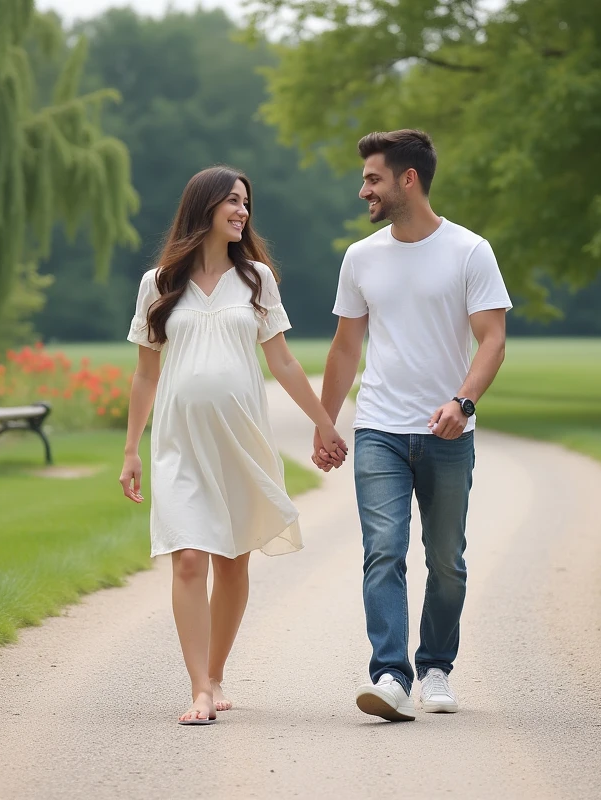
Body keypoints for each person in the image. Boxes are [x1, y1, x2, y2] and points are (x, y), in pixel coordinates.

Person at [120, 165, 348, 726]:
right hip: (179, 444)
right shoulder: (158, 284)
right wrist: (130, 450)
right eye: (232, 201)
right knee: (188, 559)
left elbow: (283, 362)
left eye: (246, 203)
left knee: (231, 562)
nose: (243, 211)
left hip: (240, 441)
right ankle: (199, 688)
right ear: (204, 207)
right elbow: (146, 374)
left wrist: (324, 422)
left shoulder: (256, 280)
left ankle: (216, 671)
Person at [312, 130, 511, 722]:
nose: (363, 190)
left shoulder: (470, 251)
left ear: (408, 179)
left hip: (448, 434)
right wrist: (325, 422)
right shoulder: (361, 257)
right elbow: (346, 348)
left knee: (446, 560)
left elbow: (492, 339)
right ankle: (391, 676)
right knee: (384, 550)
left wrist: (463, 402)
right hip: (379, 429)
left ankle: (436, 667)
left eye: (372, 179)